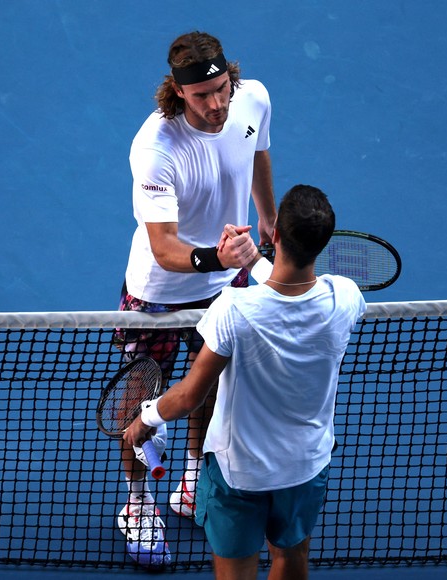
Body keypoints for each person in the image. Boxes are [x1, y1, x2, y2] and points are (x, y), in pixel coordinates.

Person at [124, 184, 367, 580]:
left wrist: (147, 418)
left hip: (241, 474)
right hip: (306, 465)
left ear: (274, 234)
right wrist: (252, 261)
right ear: (322, 244)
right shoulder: (346, 297)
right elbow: (291, 291)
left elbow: (189, 395)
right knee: (291, 558)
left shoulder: (234, 309)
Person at [113, 30, 277, 566]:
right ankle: (138, 502)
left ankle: (190, 476)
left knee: (210, 385)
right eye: (203, 97)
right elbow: (163, 248)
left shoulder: (252, 97)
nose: (218, 106)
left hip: (223, 286)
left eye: (223, 89)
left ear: (231, 77)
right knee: (143, 398)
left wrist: (268, 217)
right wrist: (219, 258)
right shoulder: (156, 146)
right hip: (158, 295)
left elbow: (257, 151)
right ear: (179, 92)